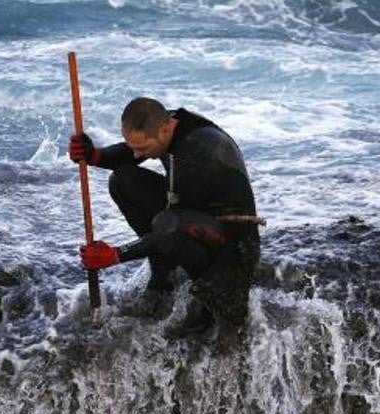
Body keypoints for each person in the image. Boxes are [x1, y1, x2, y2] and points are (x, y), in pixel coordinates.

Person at [69, 97, 261, 336]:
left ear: (165, 129)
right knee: (122, 179)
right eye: (133, 147)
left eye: (143, 149)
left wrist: (115, 255)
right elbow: (130, 154)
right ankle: (163, 270)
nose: (137, 154)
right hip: (196, 213)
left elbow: (168, 229)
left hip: (232, 239)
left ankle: (200, 299)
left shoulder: (193, 155)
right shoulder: (168, 123)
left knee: (163, 225)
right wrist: (94, 155)